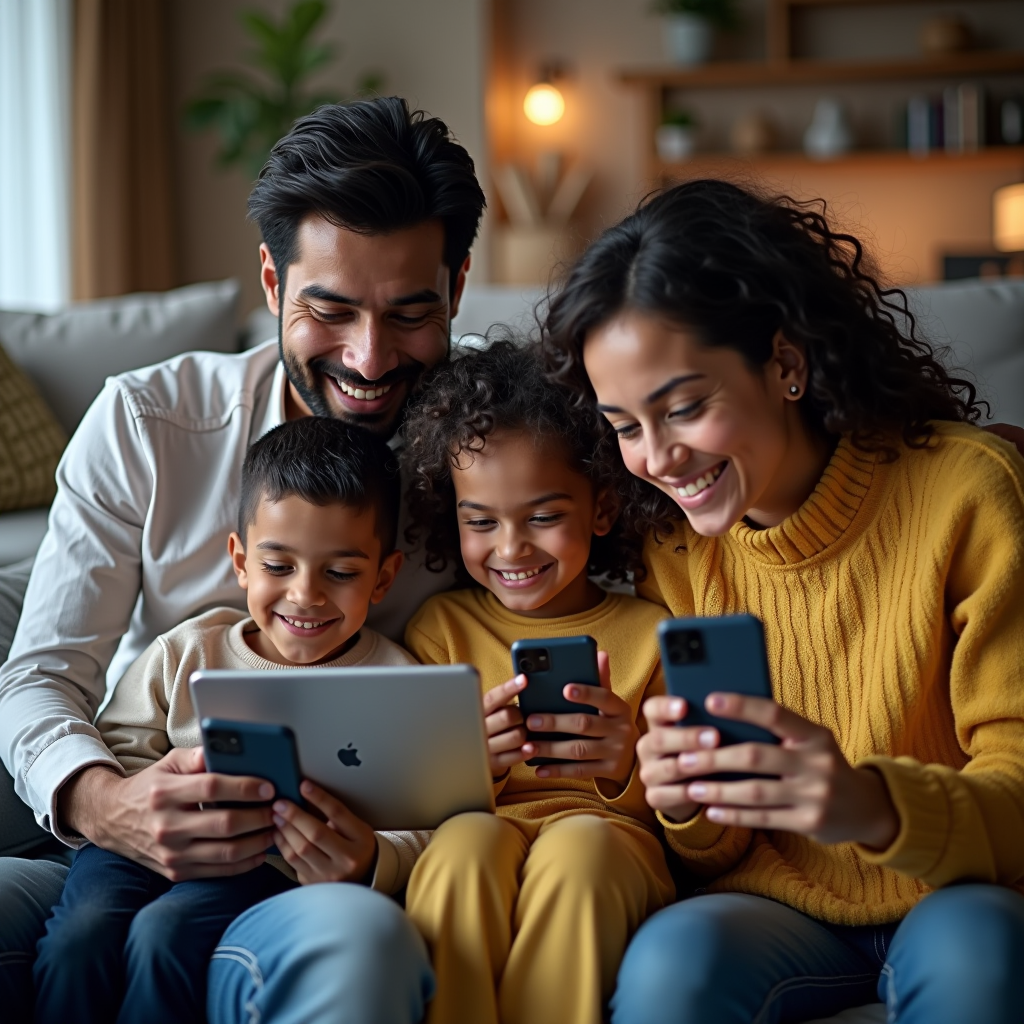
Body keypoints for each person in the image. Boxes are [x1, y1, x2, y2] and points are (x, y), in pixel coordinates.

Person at [0, 96, 484, 1024]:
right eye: (330, 311)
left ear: (457, 290)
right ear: (271, 279)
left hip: (354, 869)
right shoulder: (149, 423)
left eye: (410, 314)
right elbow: (41, 674)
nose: (371, 359)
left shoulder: (496, 458)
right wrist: (106, 803)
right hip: (138, 843)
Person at [541, 178, 1024, 1024]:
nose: (656, 457)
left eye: (684, 407)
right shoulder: (676, 553)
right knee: (669, 968)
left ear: (787, 364)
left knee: (975, 958)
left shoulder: (967, 495)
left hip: (964, 889)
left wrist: (866, 803)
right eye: (624, 425)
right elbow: (711, 847)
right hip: (778, 907)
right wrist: (682, 802)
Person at [33, 416, 429, 1023]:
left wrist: (374, 855)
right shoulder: (187, 650)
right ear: (240, 562)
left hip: (259, 869)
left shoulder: (398, 681)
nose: (305, 595)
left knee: (167, 931)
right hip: (131, 852)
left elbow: (426, 818)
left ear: (383, 578)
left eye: (342, 573)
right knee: (80, 936)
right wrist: (148, 796)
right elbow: (118, 752)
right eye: (278, 567)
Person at [399, 341, 675, 1024]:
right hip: (482, 829)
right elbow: (411, 795)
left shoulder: (652, 634)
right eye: (481, 522)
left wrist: (625, 769)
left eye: (544, 517)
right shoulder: (442, 630)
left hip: (610, 839)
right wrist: (473, 767)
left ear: (601, 510)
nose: (512, 548)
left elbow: (684, 808)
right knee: (462, 849)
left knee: (579, 852)